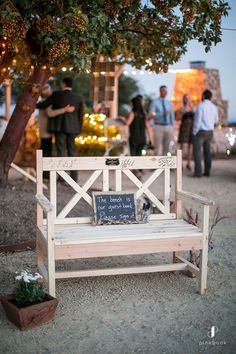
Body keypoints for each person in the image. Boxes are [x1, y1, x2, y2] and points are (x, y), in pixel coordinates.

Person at [36, 77, 83, 181]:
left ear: (63, 84)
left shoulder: (57, 95)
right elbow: (80, 115)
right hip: (73, 128)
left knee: (60, 151)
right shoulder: (78, 97)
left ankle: (62, 177)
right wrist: (79, 129)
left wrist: (33, 103)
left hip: (59, 127)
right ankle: (74, 177)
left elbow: (43, 105)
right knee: (72, 151)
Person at [192, 89, 219, 177]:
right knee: (207, 151)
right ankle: (207, 172)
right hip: (210, 132)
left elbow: (197, 121)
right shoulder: (214, 107)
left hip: (201, 132)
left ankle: (198, 172)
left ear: (203, 96)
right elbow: (216, 121)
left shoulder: (200, 106)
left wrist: (194, 131)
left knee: (197, 151)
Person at [149, 85, 174, 155]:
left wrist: (172, 126)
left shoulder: (169, 103)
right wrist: (162, 114)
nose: (165, 92)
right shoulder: (155, 102)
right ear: (160, 91)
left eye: (166, 91)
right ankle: (156, 165)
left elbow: (172, 115)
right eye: (163, 91)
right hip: (158, 126)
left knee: (167, 148)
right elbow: (152, 114)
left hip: (168, 126)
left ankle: (164, 165)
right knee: (157, 147)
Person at [176, 93, 195, 170]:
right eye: (185, 98)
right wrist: (181, 113)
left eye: (188, 98)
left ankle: (188, 163)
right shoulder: (181, 108)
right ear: (184, 99)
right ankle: (180, 164)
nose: (187, 99)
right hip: (184, 128)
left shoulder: (193, 109)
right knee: (182, 146)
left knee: (190, 146)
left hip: (191, 128)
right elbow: (177, 119)